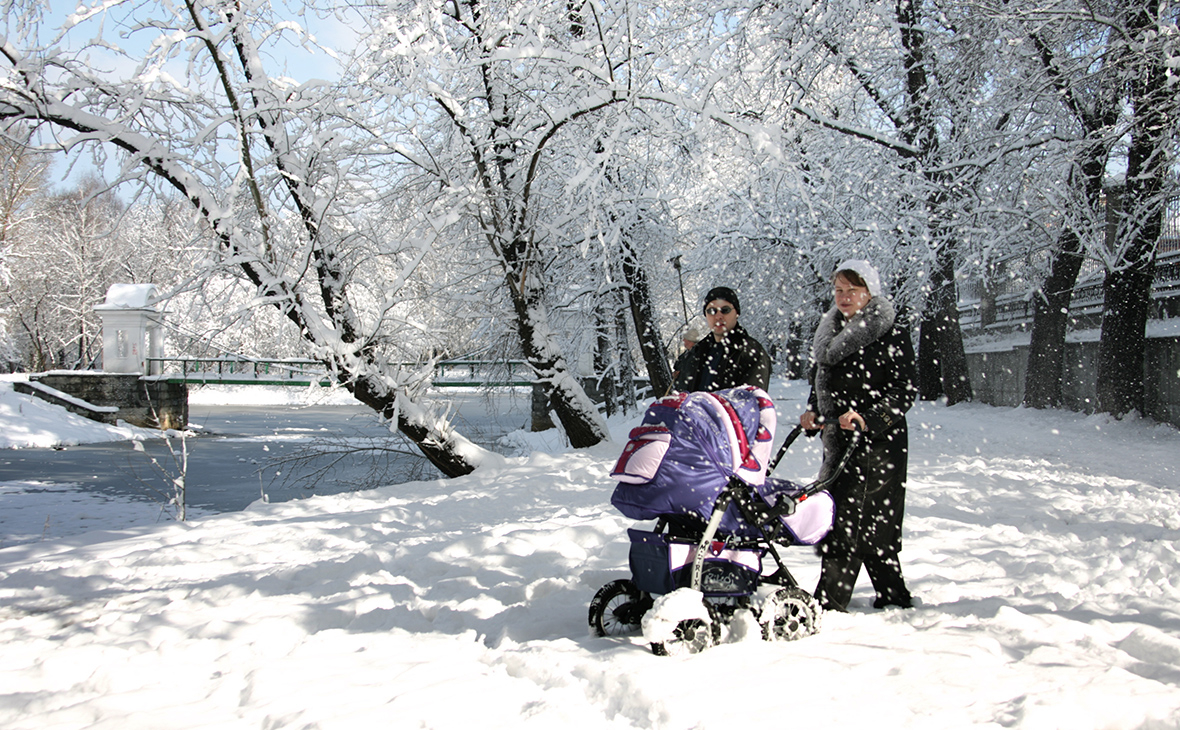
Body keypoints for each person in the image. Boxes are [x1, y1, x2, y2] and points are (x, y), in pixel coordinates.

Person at [800, 260, 917, 612]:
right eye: (839, 290)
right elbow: (822, 381)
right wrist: (813, 413)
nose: (845, 297)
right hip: (840, 441)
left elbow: (905, 388)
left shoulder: (890, 331)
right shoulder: (829, 332)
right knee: (867, 520)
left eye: (853, 290)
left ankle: (828, 603)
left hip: (878, 444)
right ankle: (893, 594)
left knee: (848, 519)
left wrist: (869, 418)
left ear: (869, 293)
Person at [672, 287, 772, 393]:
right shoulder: (698, 352)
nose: (718, 316)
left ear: (737, 313)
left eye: (725, 310)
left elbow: (750, 402)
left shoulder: (751, 352)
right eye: (711, 311)